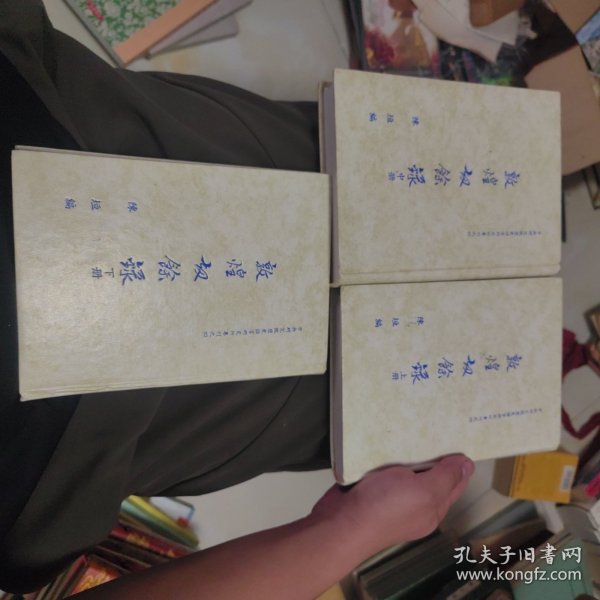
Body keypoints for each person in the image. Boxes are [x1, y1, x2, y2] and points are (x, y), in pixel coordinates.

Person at [0, 1, 474, 595]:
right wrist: (346, 533)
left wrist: (346, 532)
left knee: (407, 193)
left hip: (66, 123)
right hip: (66, 421)